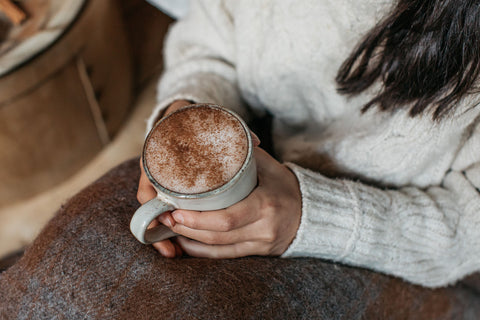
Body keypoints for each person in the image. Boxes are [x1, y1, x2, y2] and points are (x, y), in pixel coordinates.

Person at [136, 0, 480, 288]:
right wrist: (188, 109)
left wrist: (313, 220)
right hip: (258, 153)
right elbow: (213, 37)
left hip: (406, 245)